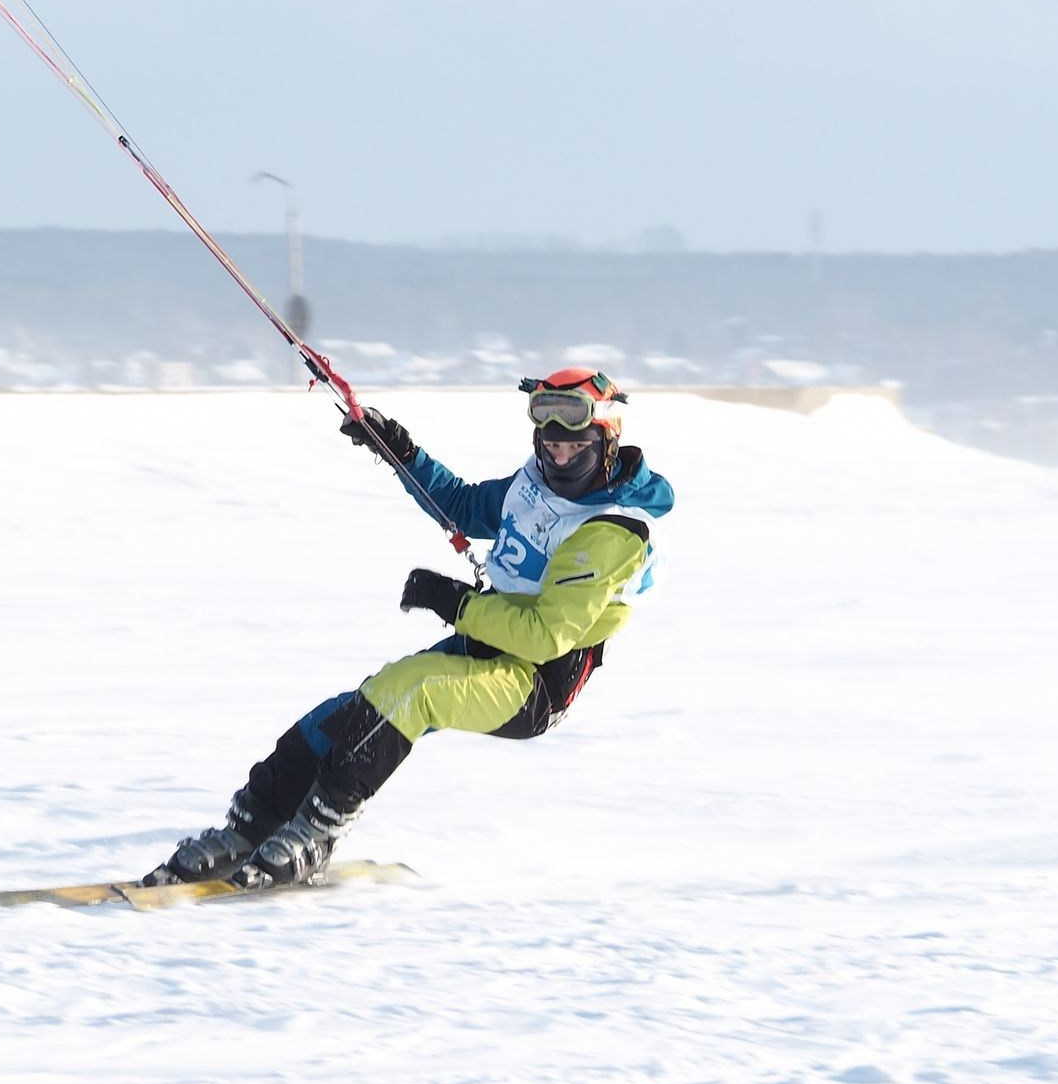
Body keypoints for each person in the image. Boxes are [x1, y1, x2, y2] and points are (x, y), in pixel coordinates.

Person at [146, 367, 675, 890]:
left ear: (605, 437)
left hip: (535, 683)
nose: (558, 453)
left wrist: (455, 601)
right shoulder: (534, 483)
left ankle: (317, 834)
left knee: (409, 693)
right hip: (484, 645)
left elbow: (545, 636)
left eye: (574, 443)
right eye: (548, 437)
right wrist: (400, 452)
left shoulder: (613, 528)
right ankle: (249, 828)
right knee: (348, 712)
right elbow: (464, 508)